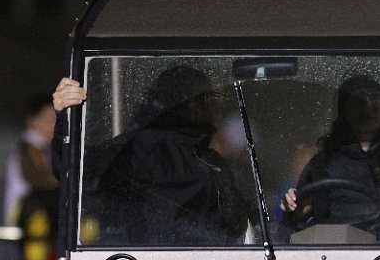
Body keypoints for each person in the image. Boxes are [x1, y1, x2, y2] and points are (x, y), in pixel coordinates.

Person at [52, 66, 250, 246]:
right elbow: (78, 172)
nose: (217, 106)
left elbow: (238, 222)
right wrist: (66, 118)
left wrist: (278, 223)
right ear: (191, 104)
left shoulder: (209, 159)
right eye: (210, 98)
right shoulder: (145, 147)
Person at [281, 74, 380, 243]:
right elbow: (304, 224)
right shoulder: (324, 163)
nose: (367, 107)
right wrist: (299, 209)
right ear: (343, 109)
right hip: (345, 258)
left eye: (375, 98)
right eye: (357, 99)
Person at [3, 95, 60, 260]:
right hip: (29, 222)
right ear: (31, 121)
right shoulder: (28, 148)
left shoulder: (44, 148)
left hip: (40, 222)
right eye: (47, 119)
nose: (53, 125)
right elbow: (38, 180)